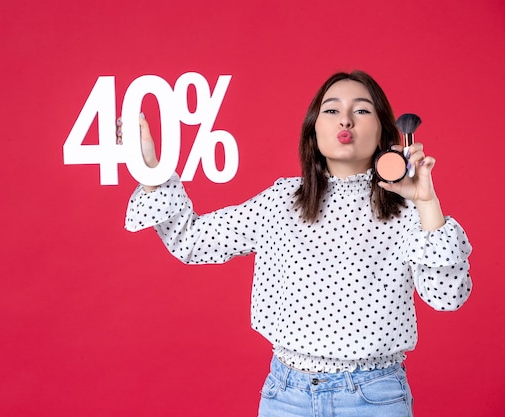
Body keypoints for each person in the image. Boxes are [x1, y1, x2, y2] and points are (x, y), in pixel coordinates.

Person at [123, 70, 472, 417]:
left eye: (362, 110)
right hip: (286, 397)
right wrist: (152, 170)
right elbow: (191, 240)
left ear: (383, 129)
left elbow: (447, 298)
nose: (345, 120)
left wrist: (426, 202)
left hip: (374, 397)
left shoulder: (409, 209)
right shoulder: (279, 201)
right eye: (331, 110)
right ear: (313, 129)